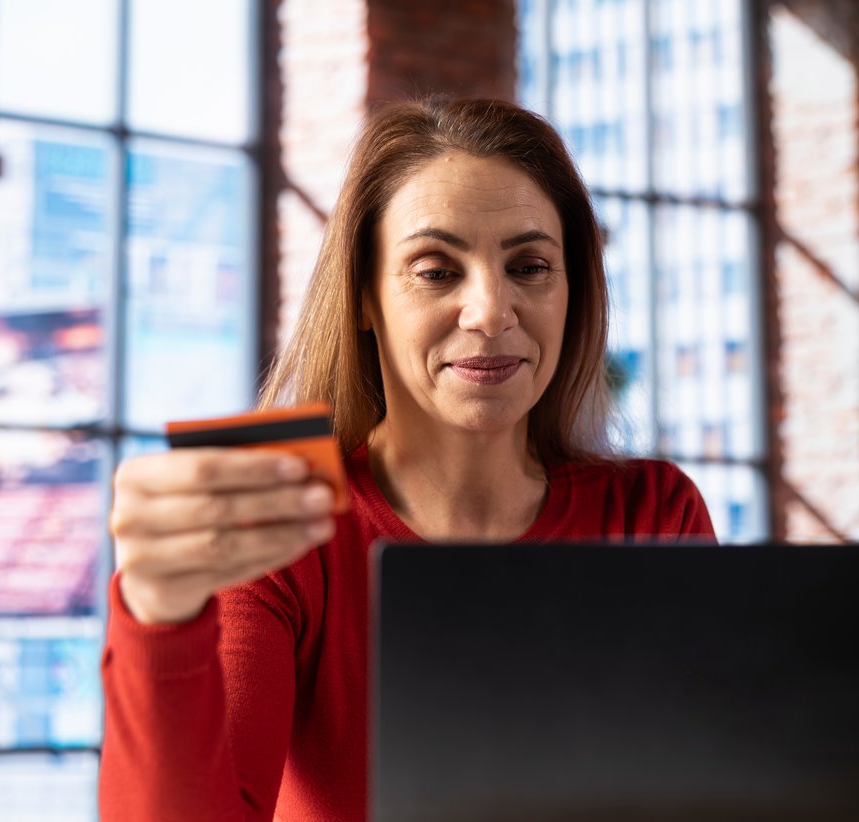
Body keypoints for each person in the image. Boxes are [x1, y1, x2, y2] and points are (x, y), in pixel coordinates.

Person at [98, 96, 716, 821]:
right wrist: (159, 616)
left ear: (571, 292)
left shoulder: (652, 512)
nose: (490, 310)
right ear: (363, 296)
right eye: (434, 270)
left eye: (529, 266)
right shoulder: (285, 532)